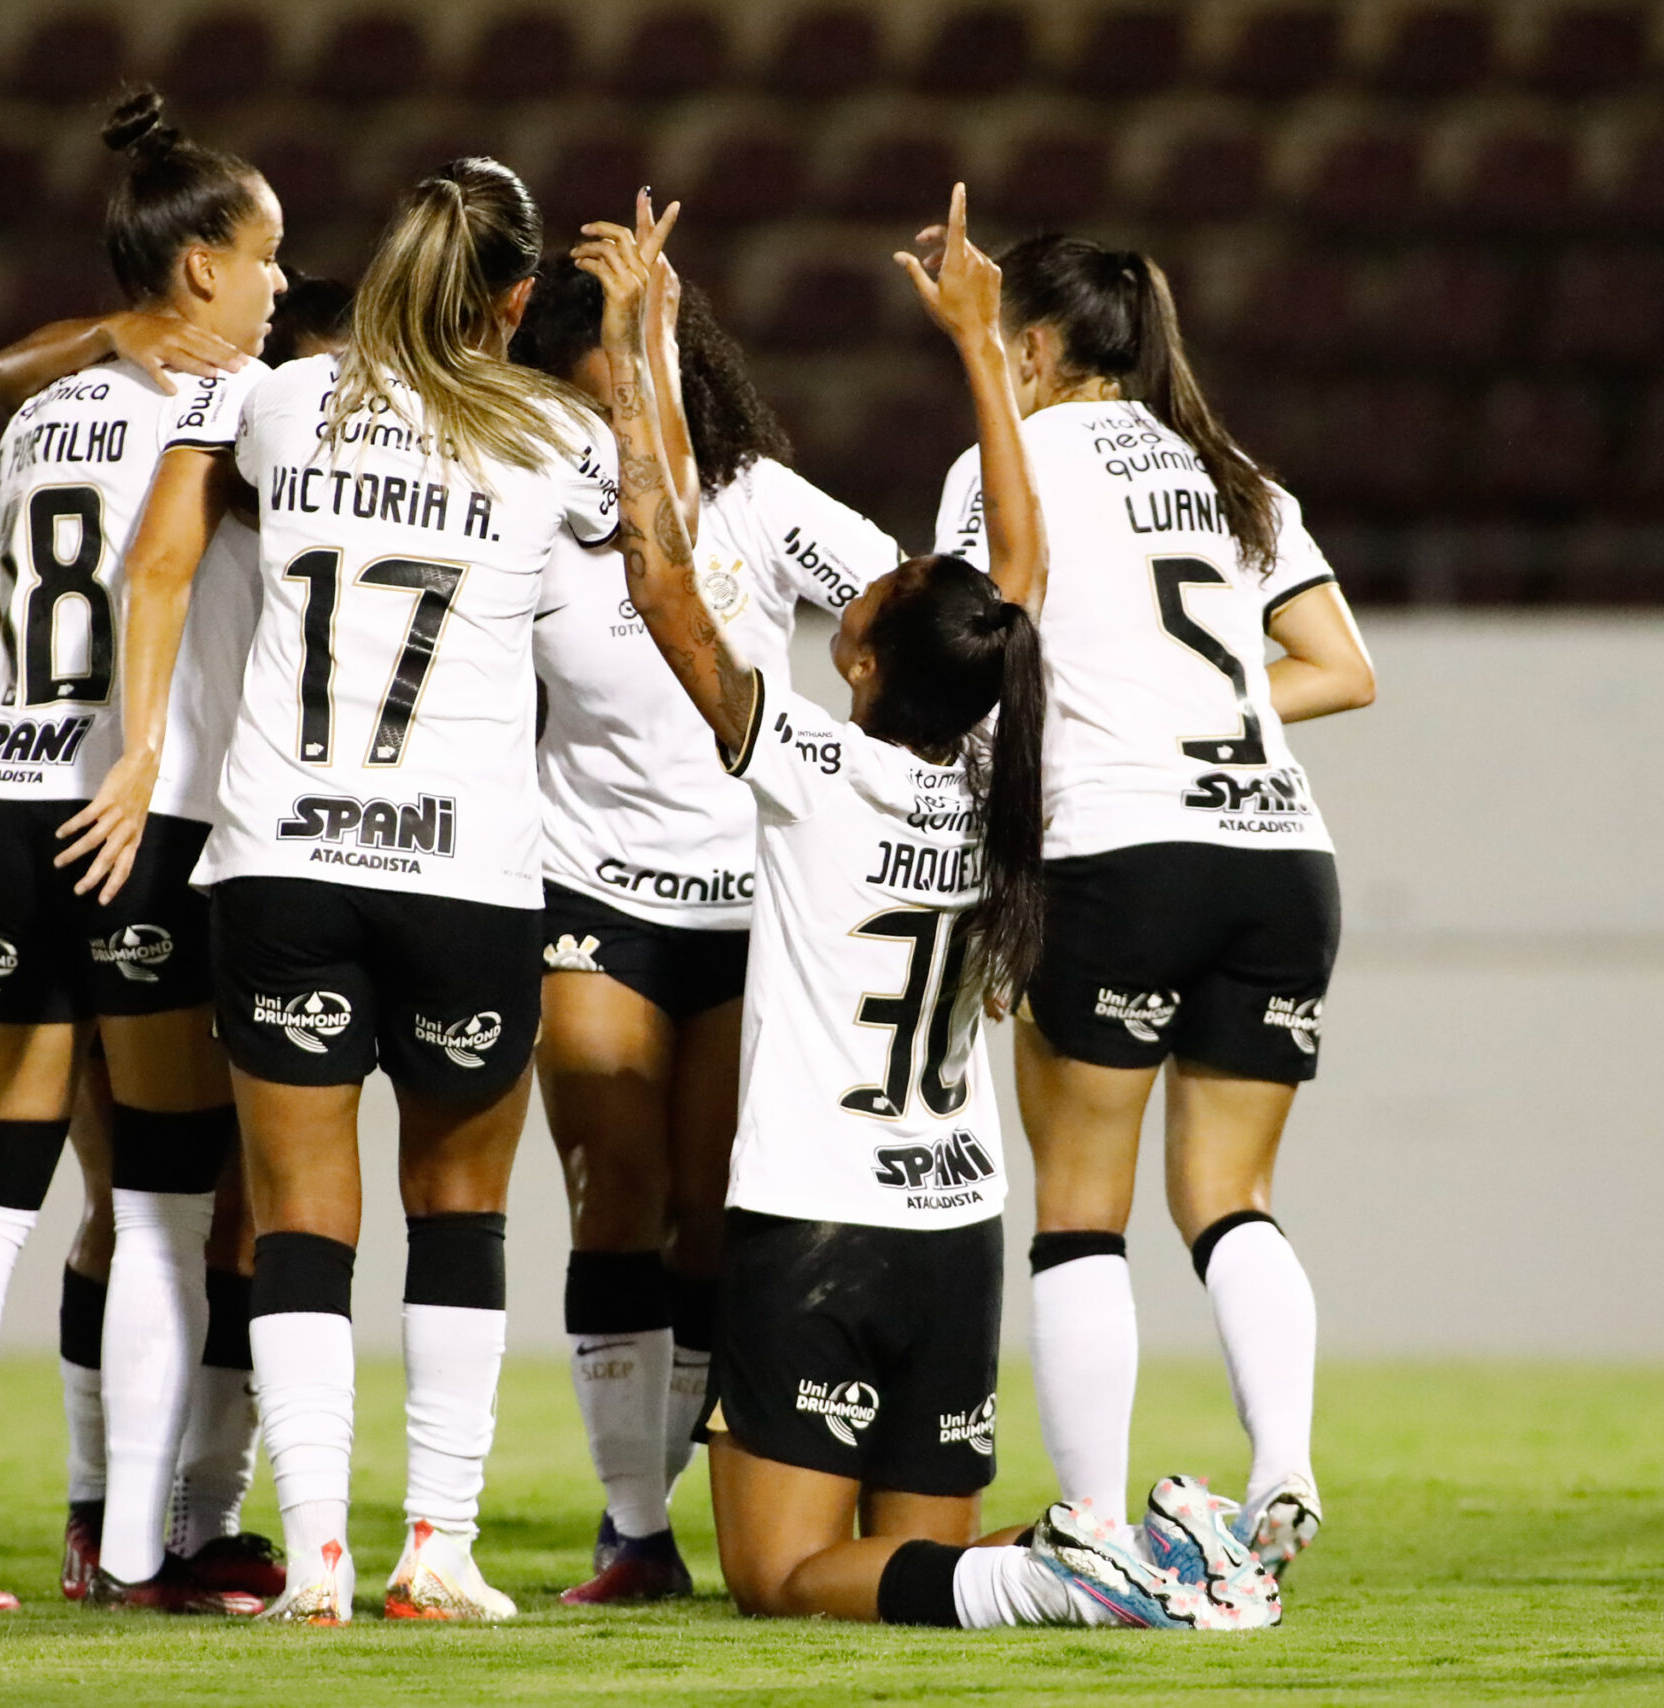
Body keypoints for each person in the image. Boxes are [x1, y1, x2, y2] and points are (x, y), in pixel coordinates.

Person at [581, 186, 1278, 1632]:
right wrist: (976, 343)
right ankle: (1136, 1549)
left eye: (892, 583)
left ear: (871, 659)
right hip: (956, 1229)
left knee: (777, 1578)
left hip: (815, 1223)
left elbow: (660, 578)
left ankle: (1072, 1574)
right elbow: (1013, 581)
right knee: (924, 1570)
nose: (888, 565)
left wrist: (646, 351)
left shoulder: (813, 765)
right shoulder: (1005, 782)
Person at [193, 156, 622, 1625]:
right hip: (462, 870)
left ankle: (313, 1548)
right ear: (514, 301)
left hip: (286, 854)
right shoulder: (553, 437)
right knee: (460, 1212)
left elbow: (216, 473)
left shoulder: (281, 404)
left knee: (302, 1214)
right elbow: (645, 518)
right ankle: (434, 1545)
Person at [0, 89, 281, 1614]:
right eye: (263, 257)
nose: (270, 287)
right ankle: (132, 1560)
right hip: (136, 810)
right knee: (173, 1206)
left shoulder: (40, 415)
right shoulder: (227, 409)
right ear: (198, 272)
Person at [926, 230, 1376, 1575]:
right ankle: (1284, 1460)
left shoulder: (1007, 463)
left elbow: (972, 657)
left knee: (1078, 1205)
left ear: (1040, 348)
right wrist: (1202, 710)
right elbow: (1341, 669)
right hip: (1281, 852)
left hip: (1119, 852)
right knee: (1230, 1196)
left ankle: (1094, 1527)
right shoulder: (1236, 478)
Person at [510, 240, 902, 1601]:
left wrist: (866, 759)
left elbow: (902, 604)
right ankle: (634, 1528)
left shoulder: (758, 500)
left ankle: (684, 1483)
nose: (618, 405)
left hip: (753, 909)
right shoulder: (530, 515)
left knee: (712, 1221)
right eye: (592, 381)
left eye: (642, 365)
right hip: (588, 889)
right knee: (610, 1190)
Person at [0, 269, 357, 1607]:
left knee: (231, 1210)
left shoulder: (324, 523)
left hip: (241, 852)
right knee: (138, 1203)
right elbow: (6, 372)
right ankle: (109, 1518)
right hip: (145, 835)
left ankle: (195, 1518)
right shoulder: (204, 460)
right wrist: (113, 333)